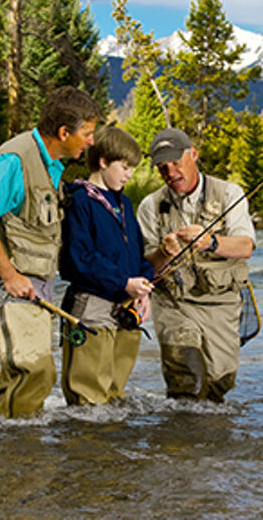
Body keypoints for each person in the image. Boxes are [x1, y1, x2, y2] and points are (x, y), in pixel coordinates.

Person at [0, 87, 102, 418]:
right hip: (8, 282)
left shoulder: (51, 164)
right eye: (87, 133)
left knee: (22, 371)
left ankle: (7, 448)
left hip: (36, 283)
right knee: (34, 370)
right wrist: (9, 276)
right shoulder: (14, 160)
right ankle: (16, 451)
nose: (91, 142)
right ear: (63, 132)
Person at [136, 127, 255, 402]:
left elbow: (245, 247)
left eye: (176, 163)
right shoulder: (149, 206)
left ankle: (208, 441)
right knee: (185, 381)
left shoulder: (228, 194)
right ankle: (179, 441)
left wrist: (211, 242)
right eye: (162, 167)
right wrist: (163, 253)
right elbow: (145, 268)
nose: (170, 172)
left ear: (193, 155)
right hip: (173, 303)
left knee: (218, 384)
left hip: (220, 303)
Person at [58, 126, 155, 405]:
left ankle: (111, 451)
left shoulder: (124, 202)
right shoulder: (79, 200)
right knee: (88, 401)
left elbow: (138, 255)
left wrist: (143, 288)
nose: (129, 174)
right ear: (102, 161)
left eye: (132, 168)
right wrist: (124, 283)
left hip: (126, 309)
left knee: (115, 399)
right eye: (124, 167)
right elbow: (77, 260)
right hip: (91, 308)